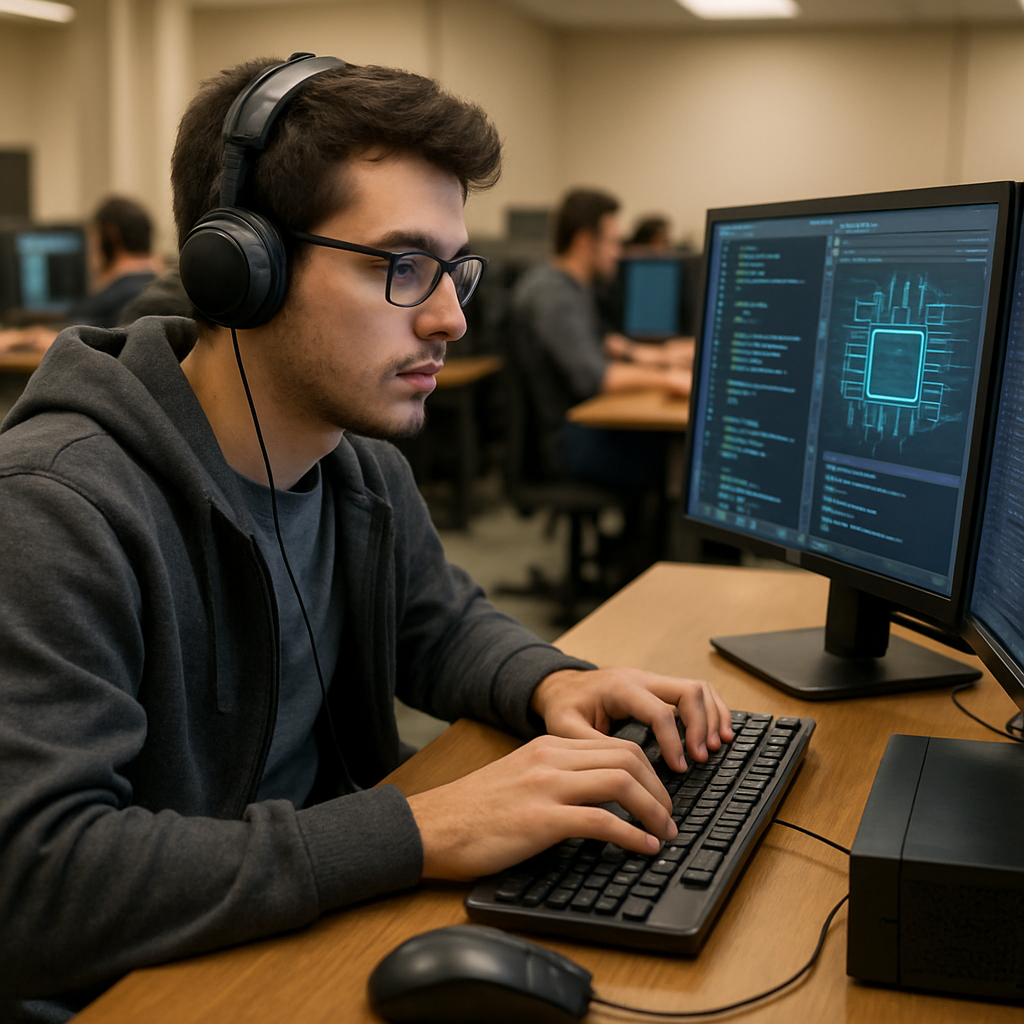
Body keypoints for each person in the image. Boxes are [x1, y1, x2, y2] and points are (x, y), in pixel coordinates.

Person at [0, 56, 732, 1021]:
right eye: (402, 267)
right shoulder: (56, 509)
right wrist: (421, 829)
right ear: (242, 269)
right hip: (142, 988)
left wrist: (555, 680)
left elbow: (435, 624)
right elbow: (37, 885)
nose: (451, 317)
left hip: (300, 928)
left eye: (453, 268)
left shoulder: (355, 463)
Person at [511, 188, 693, 491]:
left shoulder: (569, 287)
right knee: (672, 452)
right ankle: (643, 538)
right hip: (569, 442)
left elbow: (606, 343)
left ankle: (636, 536)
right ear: (585, 240)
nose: (618, 253)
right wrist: (667, 378)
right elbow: (595, 376)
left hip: (580, 428)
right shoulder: (554, 295)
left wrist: (665, 355)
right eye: (612, 242)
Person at [0, 196, 161, 355]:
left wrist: (28, 339)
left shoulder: (124, 295)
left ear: (111, 236)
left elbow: (100, 342)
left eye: (93, 239)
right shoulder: (156, 285)